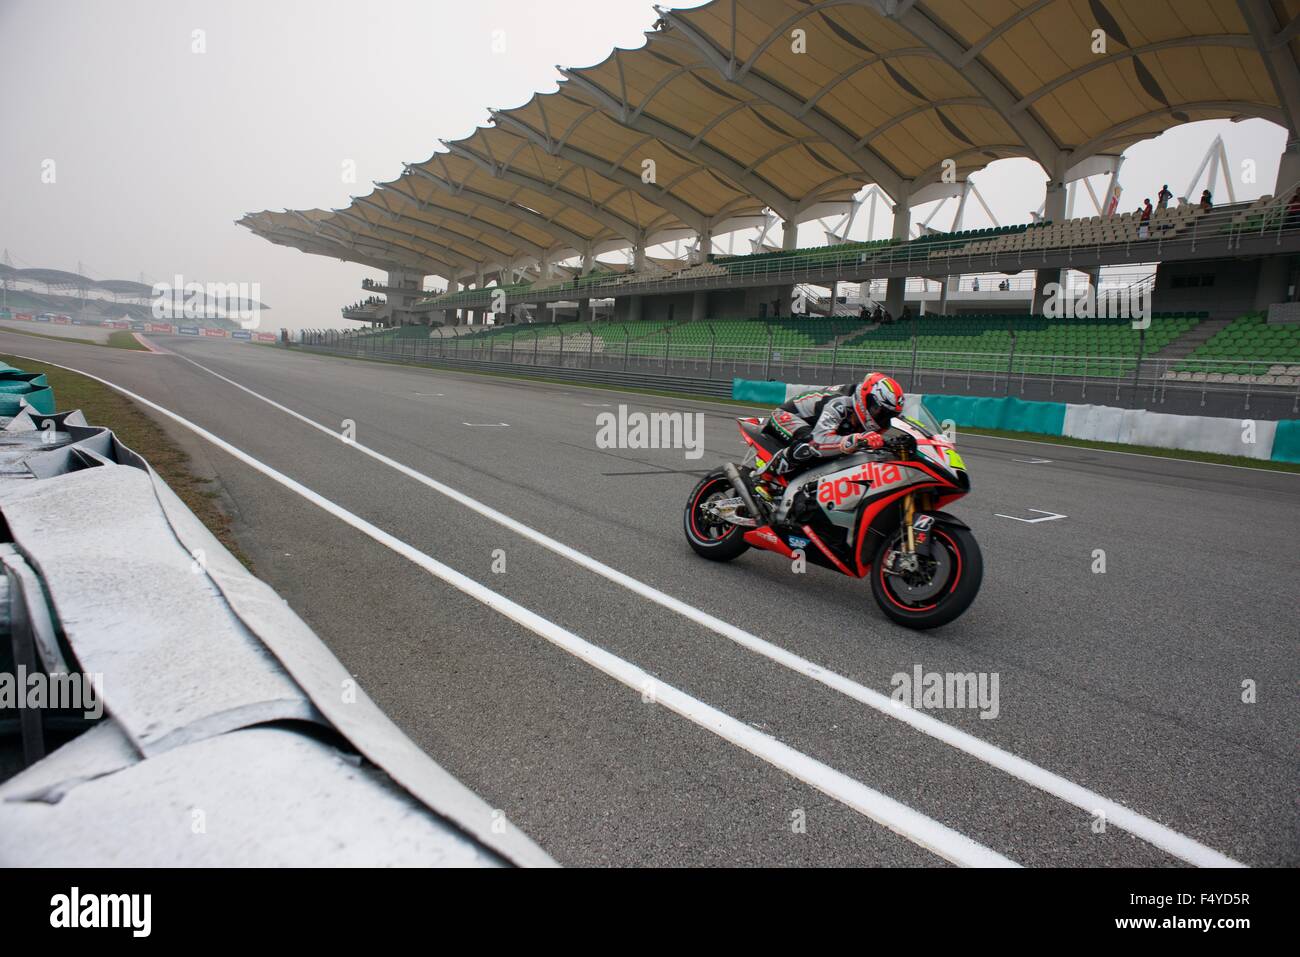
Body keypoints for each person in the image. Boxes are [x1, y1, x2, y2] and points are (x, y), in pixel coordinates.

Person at [754, 373, 906, 490]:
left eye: (888, 415)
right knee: (808, 444)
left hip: (817, 428)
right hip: (788, 417)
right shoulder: (840, 403)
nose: (882, 418)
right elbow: (819, 442)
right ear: (866, 397)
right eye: (879, 410)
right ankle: (764, 477)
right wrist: (853, 440)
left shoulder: (876, 421)